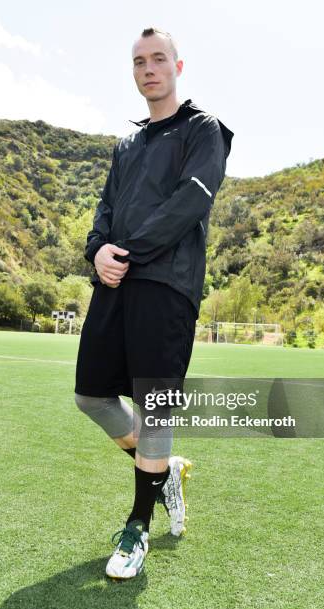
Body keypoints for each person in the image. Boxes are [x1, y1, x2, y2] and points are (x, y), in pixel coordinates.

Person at [74, 26, 234, 580]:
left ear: (177, 67)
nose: (148, 68)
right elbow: (105, 207)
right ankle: (164, 470)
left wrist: (129, 252)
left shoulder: (203, 130)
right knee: (91, 396)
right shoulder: (128, 144)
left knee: (156, 407)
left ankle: (138, 526)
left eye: (158, 59)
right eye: (139, 61)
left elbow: (189, 201)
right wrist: (98, 252)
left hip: (167, 286)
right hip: (114, 282)